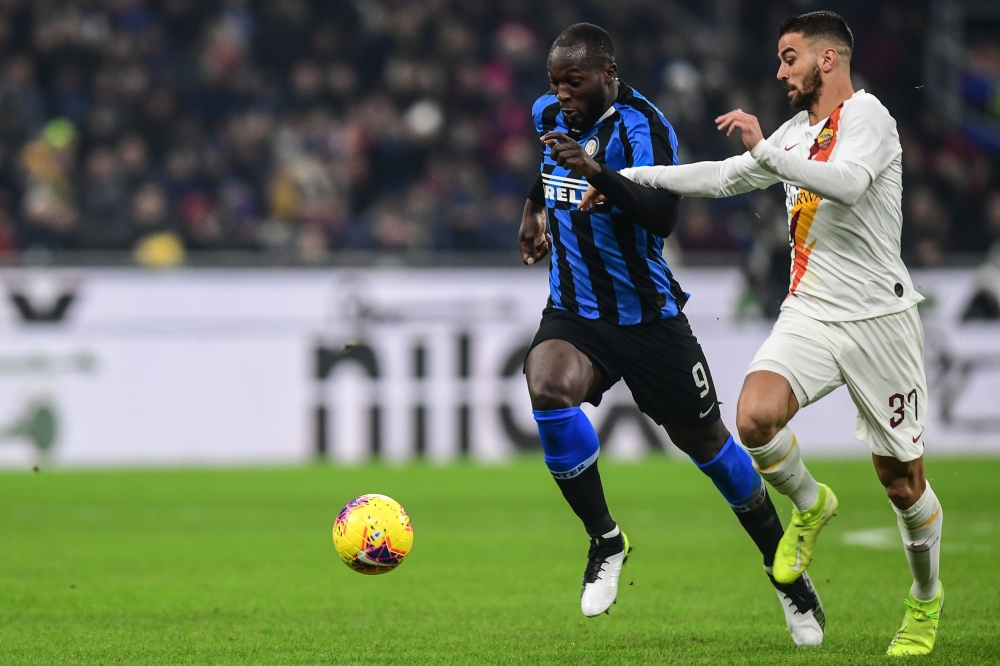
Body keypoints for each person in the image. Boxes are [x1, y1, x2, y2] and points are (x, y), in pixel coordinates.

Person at [583, 12, 943, 656]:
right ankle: (811, 503)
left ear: (827, 60)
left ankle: (924, 600)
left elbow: (851, 185)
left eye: (790, 58)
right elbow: (723, 178)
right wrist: (621, 179)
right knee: (753, 418)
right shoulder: (794, 134)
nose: (781, 72)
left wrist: (765, 152)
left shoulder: (870, 118)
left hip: (881, 321)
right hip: (809, 311)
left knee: (902, 483)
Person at [519, 23, 825, 645]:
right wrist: (534, 208)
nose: (562, 95)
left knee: (714, 453)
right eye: (555, 83)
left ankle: (788, 581)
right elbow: (549, 161)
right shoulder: (549, 112)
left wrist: (599, 174)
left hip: (650, 320)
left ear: (607, 74)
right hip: (577, 311)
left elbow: (662, 216)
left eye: (574, 82)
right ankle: (606, 540)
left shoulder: (644, 126)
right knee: (548, 386)